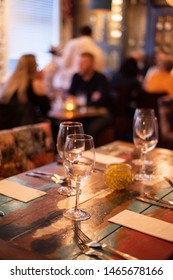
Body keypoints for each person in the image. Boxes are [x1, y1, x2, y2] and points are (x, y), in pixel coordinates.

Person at [68, 52, 112, 138]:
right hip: (81, 115)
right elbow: (70, 97)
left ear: (92, 64)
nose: (80, 66)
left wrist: (81, 102)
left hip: (100, 114)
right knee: (64, 128)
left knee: (87, 133)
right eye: (79, 63)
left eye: (84, 63)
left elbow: (100, 102)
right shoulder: (76, 77)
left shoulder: (100, 78)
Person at [0, 54, 50, 129]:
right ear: (34, 66)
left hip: (5, 129)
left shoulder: (9, 84)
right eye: (36, 64)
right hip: (24, 129)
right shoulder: (35, 84)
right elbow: (46, 108)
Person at [53, 25, 106, 90]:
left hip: (69, 84)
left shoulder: (72, 44)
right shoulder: (98, 50)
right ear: (91, 35)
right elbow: (100, 70)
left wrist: (55, 58)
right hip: (90, 87)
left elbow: (64, 63)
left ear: (80, 34)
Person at [110, 57, 142, 141]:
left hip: (113, 110)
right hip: (127, 113)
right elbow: (137, 97)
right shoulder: (134, 82)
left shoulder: (114, 77)